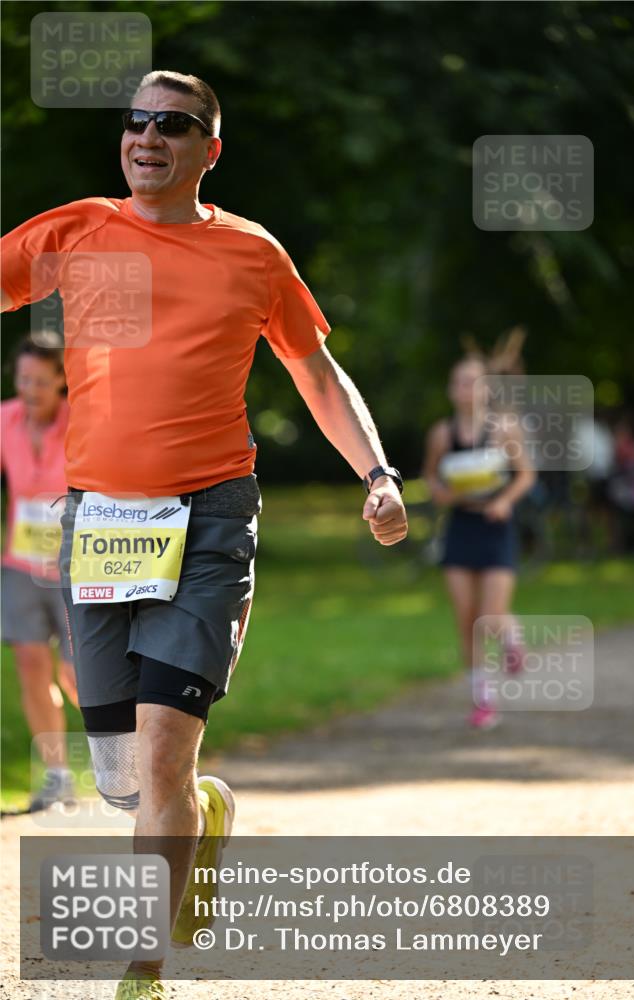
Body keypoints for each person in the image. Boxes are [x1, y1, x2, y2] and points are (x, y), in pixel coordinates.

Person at [1, 70, 408, 998]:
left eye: (174, 124)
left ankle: (143, 968)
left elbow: (315, 373)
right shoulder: (76, 230)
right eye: (135, 121)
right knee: (122, 781)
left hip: (210, 518)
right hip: (98, 519)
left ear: (208, 149)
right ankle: (203, 810)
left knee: (163, 752)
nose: (148, 136)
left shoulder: (252, 255)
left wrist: (377, 474)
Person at [422, 352, 535, 730]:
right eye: (459, 382)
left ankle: (512, 639)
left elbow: (525, 475)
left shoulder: (504, 428)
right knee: (467, 619)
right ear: (451, 390)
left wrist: (503, 501)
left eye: (472, 381)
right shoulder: (442, 434)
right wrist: (442, 492)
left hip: (496, 529)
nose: (465, 389)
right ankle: (483, 698)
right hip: (461, 528)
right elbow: (432, 478)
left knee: (490, 616)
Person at [1, 332, 79, 810]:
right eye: (22, 379)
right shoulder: (5, 419)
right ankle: (56, 776)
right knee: (31, 665)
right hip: (20, 563)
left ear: (61, 381)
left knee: (81, 674)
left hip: (76, 567)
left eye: (39, 381)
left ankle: (129, 767)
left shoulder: (82, 422)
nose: (30, 390)